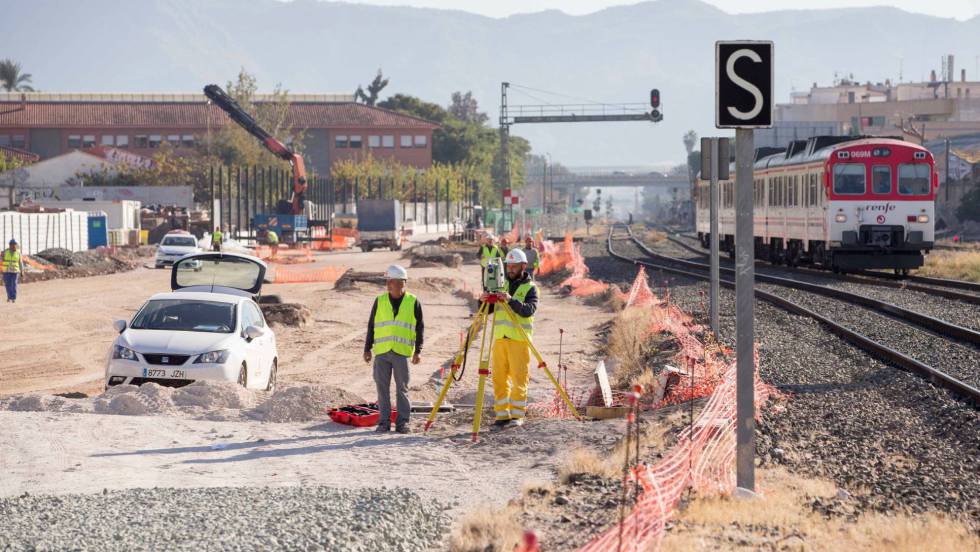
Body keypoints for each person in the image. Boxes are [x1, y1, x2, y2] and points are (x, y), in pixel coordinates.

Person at [363, 264, 424, 434]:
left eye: (401, 282)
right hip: (382, 352)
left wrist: (418, 351)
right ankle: (383, 422)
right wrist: (367, 348)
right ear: (389, 283)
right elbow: (371, 326)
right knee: (382, 389)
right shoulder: (380, 301)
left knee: (402, 389)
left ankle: (402, 422)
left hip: (401, 352)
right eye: (392, 282)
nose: (395, 285)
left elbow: (420, 328)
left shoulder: (413, 301)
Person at [487, 249, 538, 427]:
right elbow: (489, 311)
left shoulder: (530, 288)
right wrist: (484, 300)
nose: (510, 270)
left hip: (519, 341)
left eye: (514, 266)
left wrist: (510, 300)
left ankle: (517, 416)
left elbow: (527, 310)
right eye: (508, 266)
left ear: (523, 266)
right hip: (500, 340)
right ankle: (502, 416)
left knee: (518, 379)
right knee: (499, 379)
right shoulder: (501, 284)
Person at [3, 239, 24, 303]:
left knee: (14, 284)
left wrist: (22, 271)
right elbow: (1, 261)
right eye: (12, 244)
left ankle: (13, 297)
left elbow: (20, 263)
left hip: (15, 271)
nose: (14, 246)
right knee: (7, 285)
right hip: (6, 271)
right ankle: (9, 296)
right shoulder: (5, 252)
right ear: (10, 245)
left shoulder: (18, 253)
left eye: (15, 244)